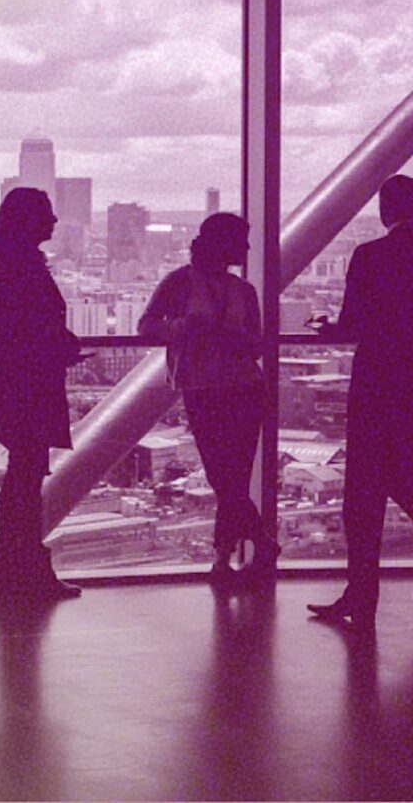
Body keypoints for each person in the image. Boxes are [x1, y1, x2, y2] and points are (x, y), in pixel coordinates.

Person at [307, 174, 413, 631]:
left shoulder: (370, 256)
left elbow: (353, 325)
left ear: (384, 208)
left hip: (380, 390)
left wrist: (328, 329)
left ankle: (362, 596)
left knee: (365, 496)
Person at [138, 212, 279, 584]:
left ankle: (225, 559)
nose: (247, 247)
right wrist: (184, 327)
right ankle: (257, 544)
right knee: (226, 479)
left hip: (237, 389)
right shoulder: (181, 282)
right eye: (241, 240)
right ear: (223, 245)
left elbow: (257, 344)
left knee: (230, 479)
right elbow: (146, 327)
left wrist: (211, 334)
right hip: (215, 389)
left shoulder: (241, 290)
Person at [0, 187, 84, 602]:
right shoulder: (24, 265)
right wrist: (60, 345)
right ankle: (26, 569)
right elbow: (30, 325)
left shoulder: (6, 262)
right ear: (29, 221)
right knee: (26, 478)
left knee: (23, 475)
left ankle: (13, 568)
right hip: (30, 381)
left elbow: (14, 325)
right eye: (46, 213)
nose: (54, 221)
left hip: (15, 379)